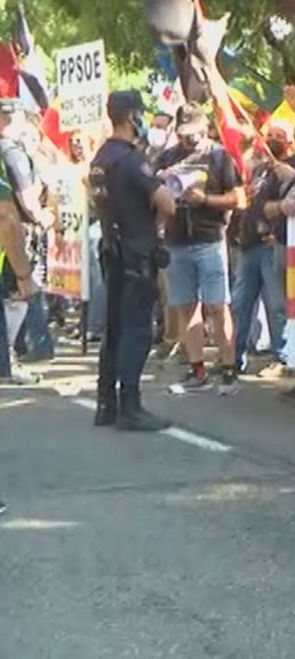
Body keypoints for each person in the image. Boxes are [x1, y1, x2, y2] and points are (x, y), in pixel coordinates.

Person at [87, 91, 177, 431]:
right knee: (136, 330)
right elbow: (166, 203)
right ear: (130, 116)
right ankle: (130, 405)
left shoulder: (100, 158)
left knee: (114, 328)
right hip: (137, 253)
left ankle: (106, 402)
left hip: (112, 250)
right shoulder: (131, 160)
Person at [154, 103, 245, 395]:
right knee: (185, 306)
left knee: (218, 306)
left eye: (193, 133)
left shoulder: (219, 156)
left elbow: (240, 198)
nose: (189, 139)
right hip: (177, 240)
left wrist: (205, 200)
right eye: (184, 133)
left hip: (209, 238)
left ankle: (229, 370)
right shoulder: (167, 156)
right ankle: (197, 370)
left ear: (204, 127)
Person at [232, 119, 295, 375]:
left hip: (272, 245)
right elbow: (256, 205)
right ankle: (235, 356)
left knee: (278, 306)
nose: (272, 139)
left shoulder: (292, 169)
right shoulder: (260, 171)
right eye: (270, 134)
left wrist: (274, 210)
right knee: (240, 304)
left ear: (289, 142)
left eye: (279, 135)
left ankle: (282, 356)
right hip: (248, 245)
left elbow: (282, 206)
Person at [0, 103, 55, 365]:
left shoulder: (12, 152)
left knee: (21, 289)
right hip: (16, 232)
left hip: (16, 232)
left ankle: (31, 345)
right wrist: (41, 215)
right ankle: (28, 345)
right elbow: (26, 197)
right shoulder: (10, 153)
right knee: (22, 288)